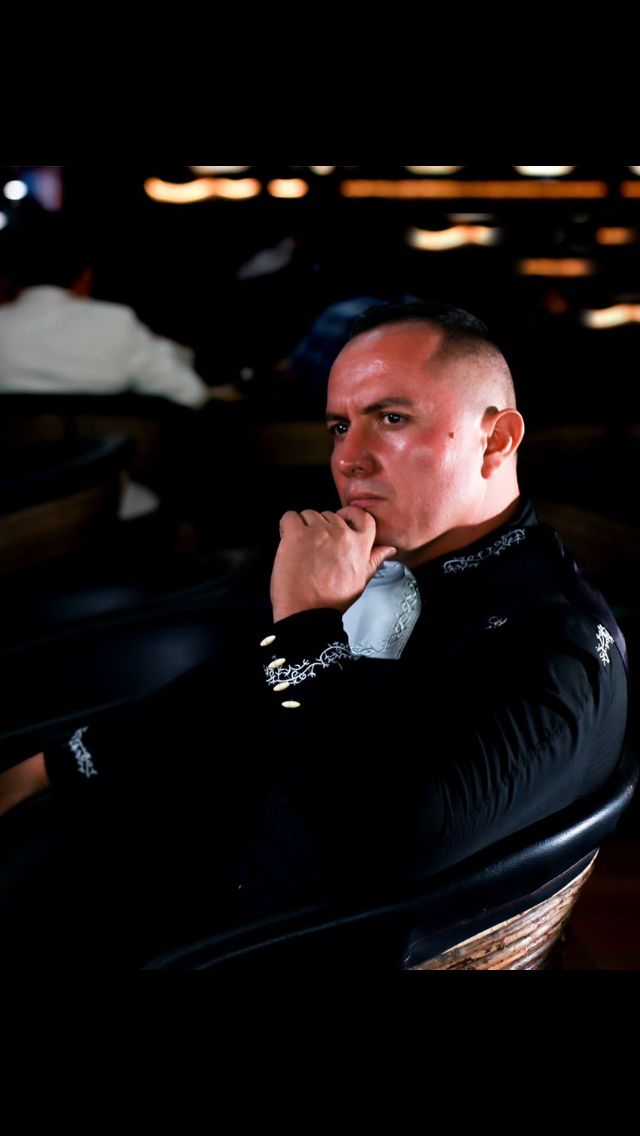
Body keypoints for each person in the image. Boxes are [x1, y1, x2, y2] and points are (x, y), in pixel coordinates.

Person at [0, 302, 629, 965]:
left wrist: (308, 626)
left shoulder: (555, 640)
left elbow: (378, 848)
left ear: (496, 440)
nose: (348, 459)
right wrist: (50, 766)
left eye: (392, 418)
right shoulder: (402, 572)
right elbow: (237, 691)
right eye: (339, 426)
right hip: (209, 877)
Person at [0, 218, 229, 409]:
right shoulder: (117, 323)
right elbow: (191, 394)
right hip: (107, 450)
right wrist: (159, 345)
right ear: (85, 278)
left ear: (8, 280)